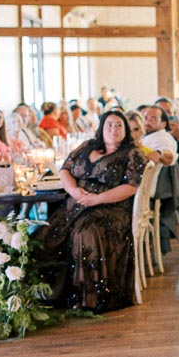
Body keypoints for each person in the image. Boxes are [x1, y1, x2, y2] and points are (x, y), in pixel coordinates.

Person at [41, 109, 145, 312]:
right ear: (101, 128)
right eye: (109, 125)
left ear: (125, 130)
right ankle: (51, 293)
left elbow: (131, 187)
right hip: (77, 204)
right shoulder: (87, 146)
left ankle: (89, 296)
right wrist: (73, 190)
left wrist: (97, 199)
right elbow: (64, 169)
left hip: (111, 208)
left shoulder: (132, 153)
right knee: (46, 232)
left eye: (118, 125)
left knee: (83, 232)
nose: (113, 129)